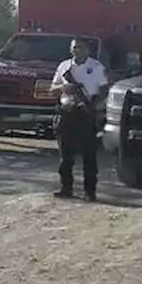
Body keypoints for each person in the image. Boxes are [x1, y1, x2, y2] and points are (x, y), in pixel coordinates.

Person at [50, 37, 108, 201]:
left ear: (87, 50)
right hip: (66, 112)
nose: (77, 51)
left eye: (80, 48)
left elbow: (104, 88)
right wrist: (64, 87)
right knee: (65, 155)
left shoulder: (96, 67)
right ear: (70, 49)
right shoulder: (64, 66)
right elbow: (52, 89)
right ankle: (66, 187)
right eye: (74, 47)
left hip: (86, 114)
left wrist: (93, 105)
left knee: (89, 156)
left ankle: (90, 191)